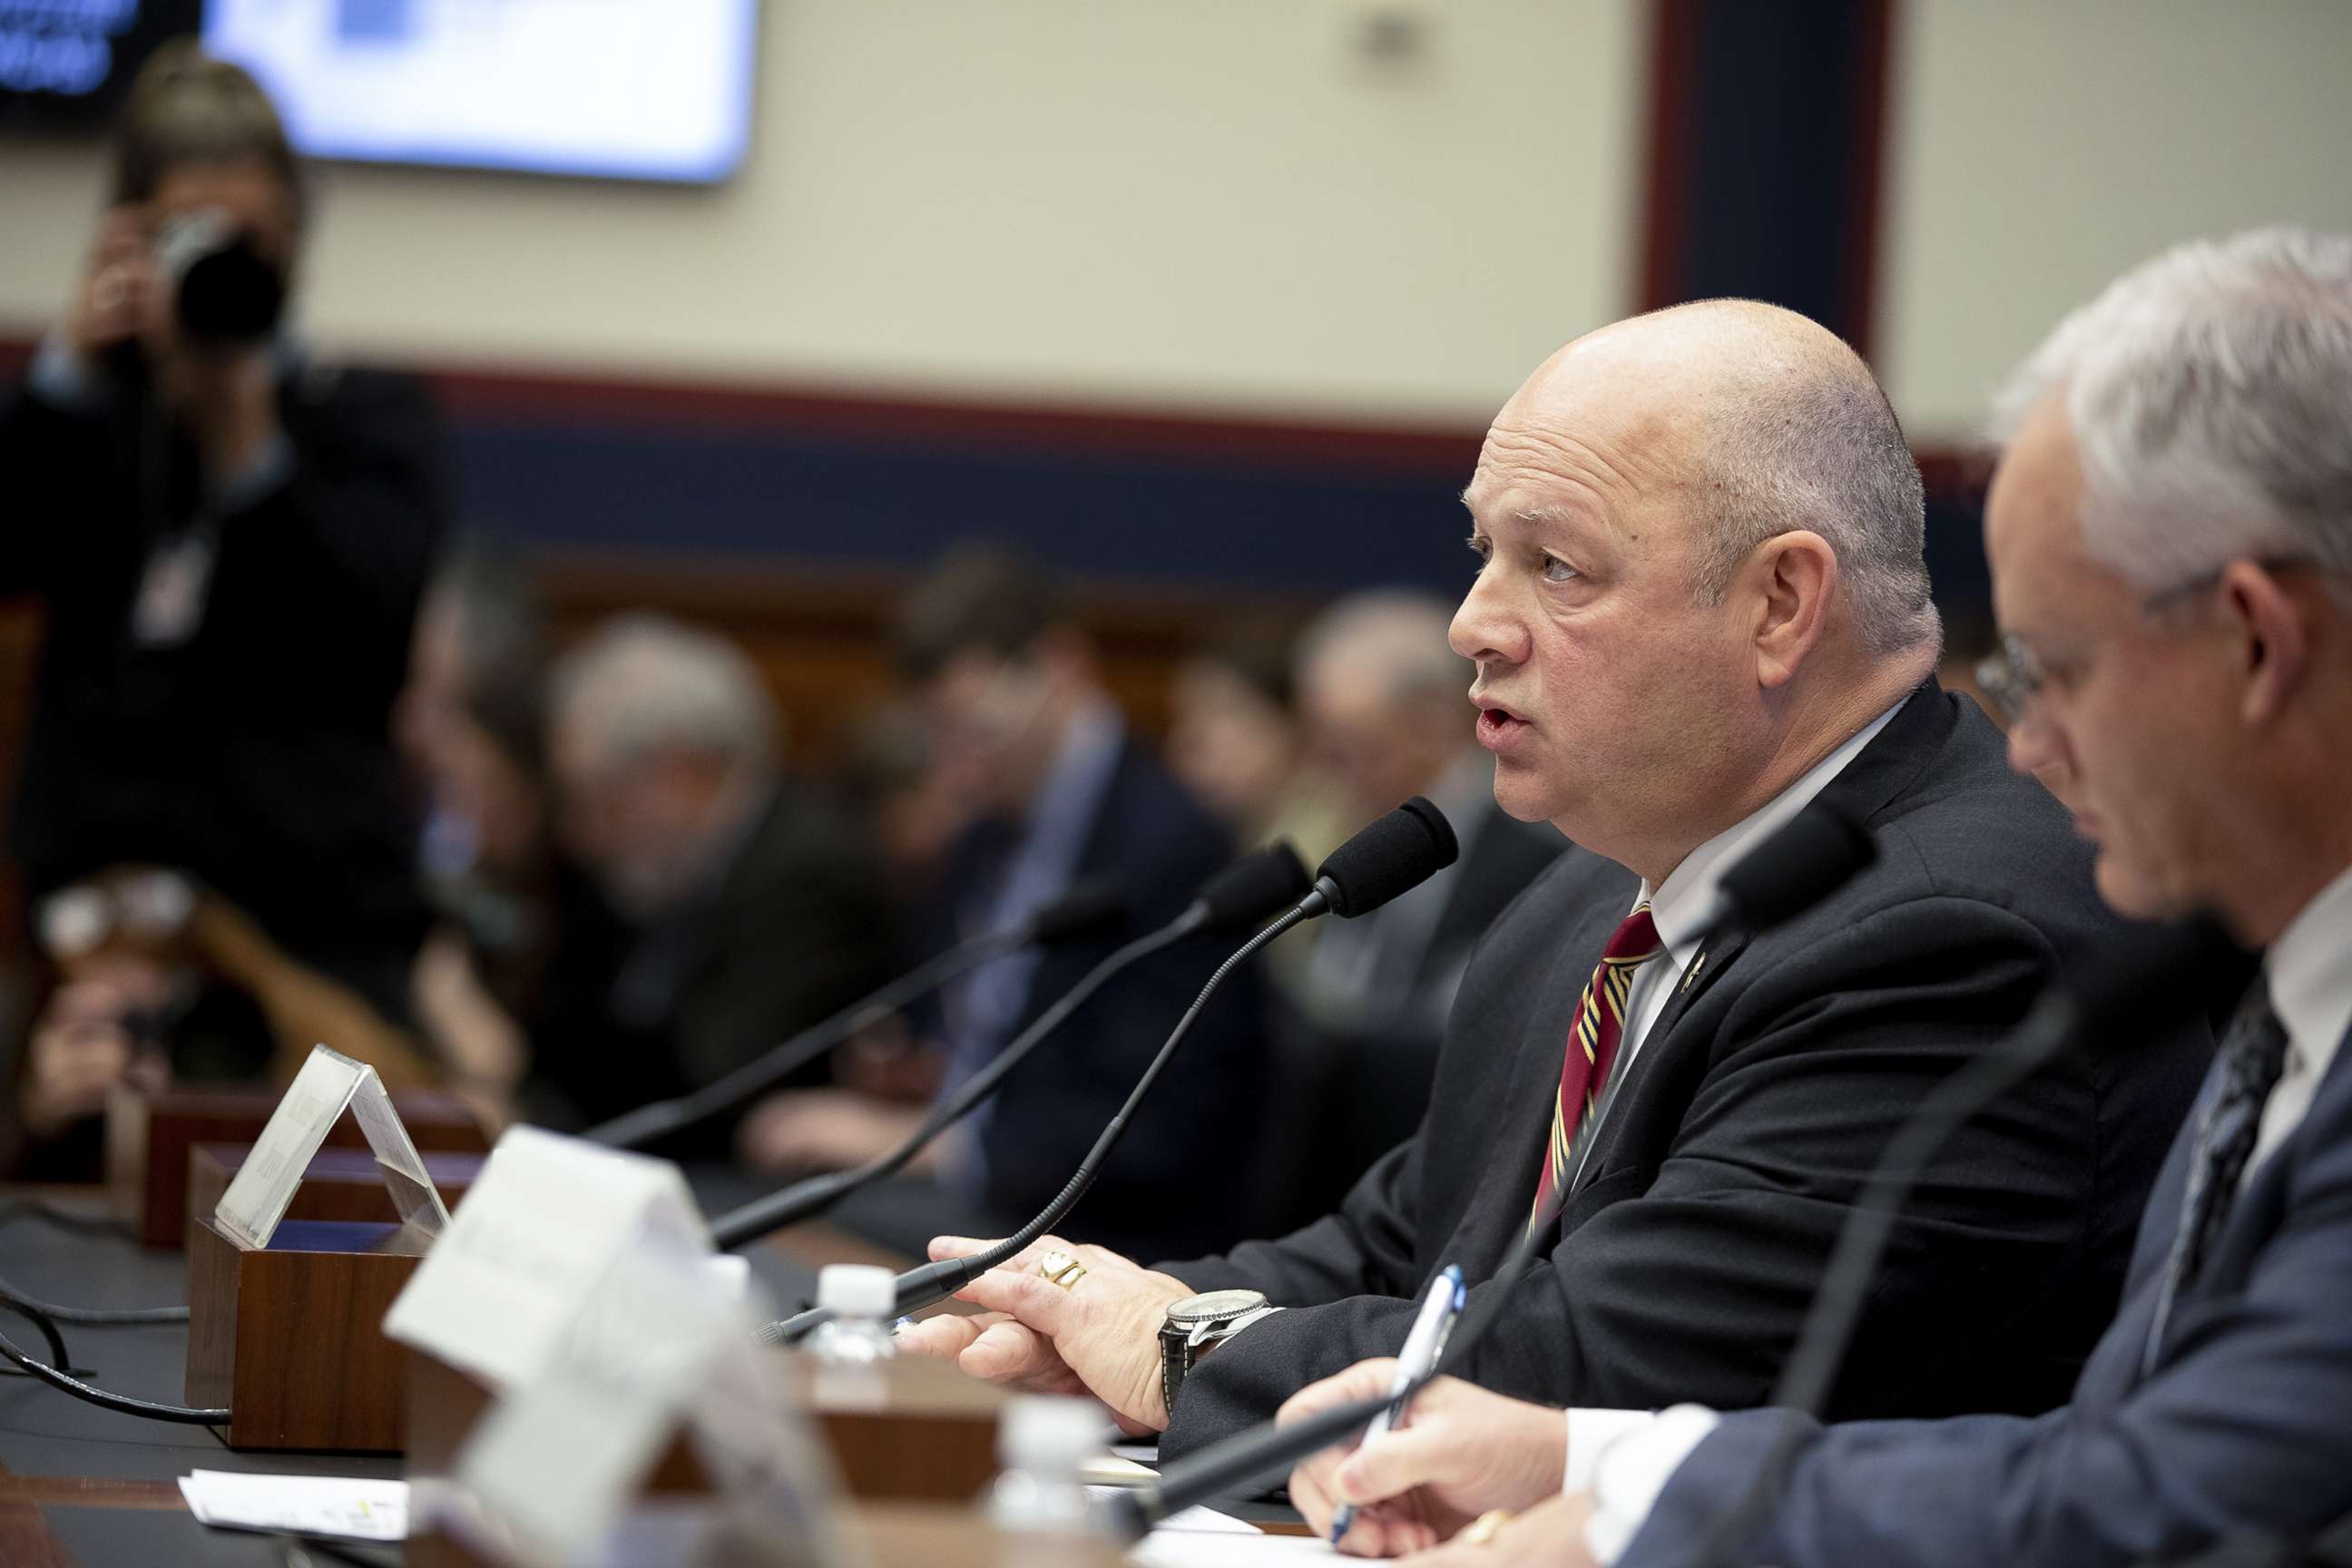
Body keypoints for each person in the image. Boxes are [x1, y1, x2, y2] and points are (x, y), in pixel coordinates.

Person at [896, 300, 2216, 1463]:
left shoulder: (1954, 938)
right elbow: (1396, 1254)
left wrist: (1184, 1355)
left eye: (1557, 566)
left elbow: (1600, 1373)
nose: (1474, 621)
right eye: (1484, 552)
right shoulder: (1587, 900)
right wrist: (1079, 1313)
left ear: (1779, 606)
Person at [1273, 227, 2352, 1568]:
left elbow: (2186, 1500)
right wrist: (1587, 1463)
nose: (2028, 744)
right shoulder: (1582, 906)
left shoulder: (1983, 931)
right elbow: (2113, 1454)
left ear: (2257, 643)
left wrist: (1626, 1502)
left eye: (2057, 670)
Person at [0, 42, 446, 1028]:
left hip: (309, 950)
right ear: (127, 239)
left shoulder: (368, 420)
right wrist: (66, 376)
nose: (217, 263)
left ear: (295, 237)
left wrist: (246, 436)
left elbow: (364, 638)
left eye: (244, 237)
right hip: (94, 956)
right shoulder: (90, 423)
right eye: (183, 234)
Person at [740, 548, 1268, 1259]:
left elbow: (1153, 1128)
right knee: (765, 1224)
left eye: (976, 732)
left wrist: (930, 1145)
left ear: (1060, 667)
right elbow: (964, 1031)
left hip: (1097, 1230)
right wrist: (905, 1065)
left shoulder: (1172, 843)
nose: (957, 766)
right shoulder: (983, 832)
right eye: (940, 737)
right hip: (971, 1195)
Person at [542, 615, 900, 1152]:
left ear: (684, 771)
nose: (583, 833)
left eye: (602, 797)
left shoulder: (810, 875)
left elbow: (718, 1090)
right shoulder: (678, 874)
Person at [1277, 592, 1565, 1219]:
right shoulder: (1367, 847)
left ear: (1430, 723)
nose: (1330, 774)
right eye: (1321, 746)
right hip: (1333, 1184)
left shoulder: (1536, 858)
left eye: (1351, 747)